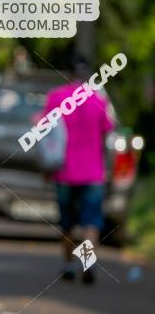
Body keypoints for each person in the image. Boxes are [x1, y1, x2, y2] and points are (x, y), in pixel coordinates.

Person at [43, 55, 113, 285]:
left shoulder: (56, 97)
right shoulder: (99, 101)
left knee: (67, 222)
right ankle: (88, 263)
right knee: (91, 222)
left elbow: (46, 135)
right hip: (93, 172)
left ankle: (68, 264)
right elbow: (107, 133)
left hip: (64, 171)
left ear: (67, 72)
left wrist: (46, 168)